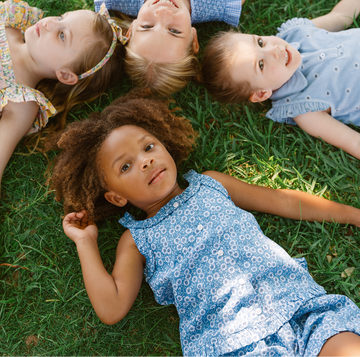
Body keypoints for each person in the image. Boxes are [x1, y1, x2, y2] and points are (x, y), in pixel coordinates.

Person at [48, 90, 360, 356]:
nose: (145, 161)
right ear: (116, 197)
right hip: (232, 340)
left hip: (297, 304)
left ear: (165, 145)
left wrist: (354, 215)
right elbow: (112, 307)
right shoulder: (136, 239)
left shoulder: (210, 184)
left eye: (148, 147)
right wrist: (86, 243)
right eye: (126, 166)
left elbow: (283, 200)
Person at [202, 0, 360, 161]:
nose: (274, 50)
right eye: (261, 64)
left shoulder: (296, 35)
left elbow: (340, 17)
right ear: (262, 93)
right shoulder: (302, 108)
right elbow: (352, 141)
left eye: (260, 42)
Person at [0, 0, 128, 195]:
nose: (49, 23)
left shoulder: (22, 101)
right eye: (61, 18)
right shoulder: (9, 22)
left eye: (61, 35)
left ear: (66, 75)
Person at [94, 0, 245, 95]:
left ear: (131, 29)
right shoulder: (217, 4)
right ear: (194, 39)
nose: (163, 12)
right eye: (174, 31)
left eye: (147, 26)